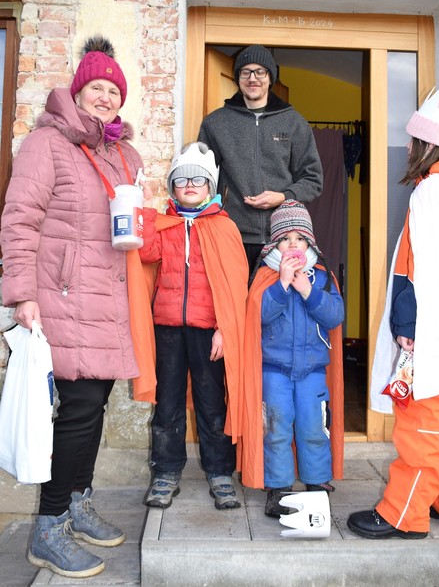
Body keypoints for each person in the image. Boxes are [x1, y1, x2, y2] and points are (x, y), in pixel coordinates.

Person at [0, 36, 145, 578]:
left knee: (94, 406)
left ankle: (77, 504)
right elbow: (20, 219)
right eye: (97, 88)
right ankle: (49, 528)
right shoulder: (48, 144)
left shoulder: (123, 154)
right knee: (78, 410)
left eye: (114, 91)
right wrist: (22, 294)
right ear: (78, 92)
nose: (106, 98)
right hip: (61, 298)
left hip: (108, 299)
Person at [347, 88, 439, 539]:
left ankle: (404, 514)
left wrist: (406, 325)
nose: (410, 147)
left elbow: (416, 267)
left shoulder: (434, 190)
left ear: (430, 144)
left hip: (430, 332)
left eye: (414, 139)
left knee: (420, 424)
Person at [139, 141, 249, 511]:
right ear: (172, 186)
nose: (190, 185)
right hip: (168, 327)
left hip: (207, 330)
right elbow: (144, 253)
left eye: (198, 180)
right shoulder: (164, 224)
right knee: (167, 403)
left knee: (211, 402)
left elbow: (234, 285)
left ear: (210, 187)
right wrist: (144, 208)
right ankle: (166, 471)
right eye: (182, 179)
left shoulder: (224, 227)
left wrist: (225, 329)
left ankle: (219, 472)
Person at [239, 200, 344, 517]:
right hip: (274, 371)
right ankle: (278, 487)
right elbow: (258, 316)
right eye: (285, 239)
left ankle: (317, 481)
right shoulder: (265, 276)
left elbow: (335, 316)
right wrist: (283, 285)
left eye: (299, 238)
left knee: (314, 428)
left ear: (310, 242)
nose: (293, 244)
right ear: (274, 244)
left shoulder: (322, 277)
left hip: (312, 371)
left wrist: (309, 292)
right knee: (276, 428)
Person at [198, 45, 323, 274]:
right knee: (233, 298)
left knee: (273, 298)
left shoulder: (294, 123)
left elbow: (313, 179)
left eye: (260, 72)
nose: (252, 78)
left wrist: (283, 197)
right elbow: (202, 180)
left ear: (270, 77)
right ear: (237, 78)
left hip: (281, 241)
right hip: (230, 236)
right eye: (245, 72)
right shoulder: (215, 124)